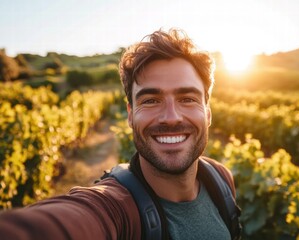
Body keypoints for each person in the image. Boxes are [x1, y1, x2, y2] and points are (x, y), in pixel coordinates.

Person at [0, 28, 239, 240]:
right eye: (151, 100)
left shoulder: (221, 179)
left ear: (207, 113)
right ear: (130, 114)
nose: (171, 117)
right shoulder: (115, 209)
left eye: (187, 99)